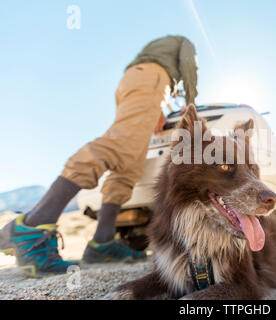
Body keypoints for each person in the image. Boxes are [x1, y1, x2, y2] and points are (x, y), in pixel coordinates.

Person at [0, 35, 198, 277]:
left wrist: (157, 108)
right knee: (118, 145)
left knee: (129, 167)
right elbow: (189, 65)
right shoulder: (182, 42)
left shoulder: (154, 53)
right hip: (151, 81)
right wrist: (191, 105)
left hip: (140, 83)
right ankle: (32, 228)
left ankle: (102, 242)